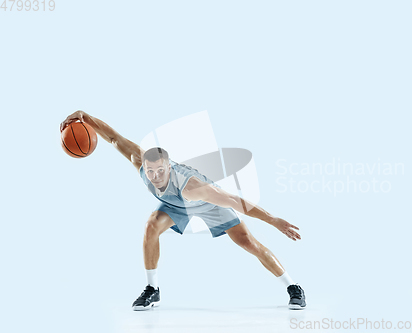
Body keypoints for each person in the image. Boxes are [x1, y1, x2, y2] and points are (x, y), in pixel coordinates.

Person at [60, 110, 306, 310]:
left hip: (205, 203)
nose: (155, 177)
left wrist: (274, 220)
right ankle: (152, 289)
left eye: (160, 171)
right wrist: (85, 117)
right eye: (150, 171)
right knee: (151, 226)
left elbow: (234, 201)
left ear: (168, 167)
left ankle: (293, 287)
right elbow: (114, 138)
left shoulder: (194, 187)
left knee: (248, 243)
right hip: (174, 205)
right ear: (143, 165)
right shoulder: (141, 162)